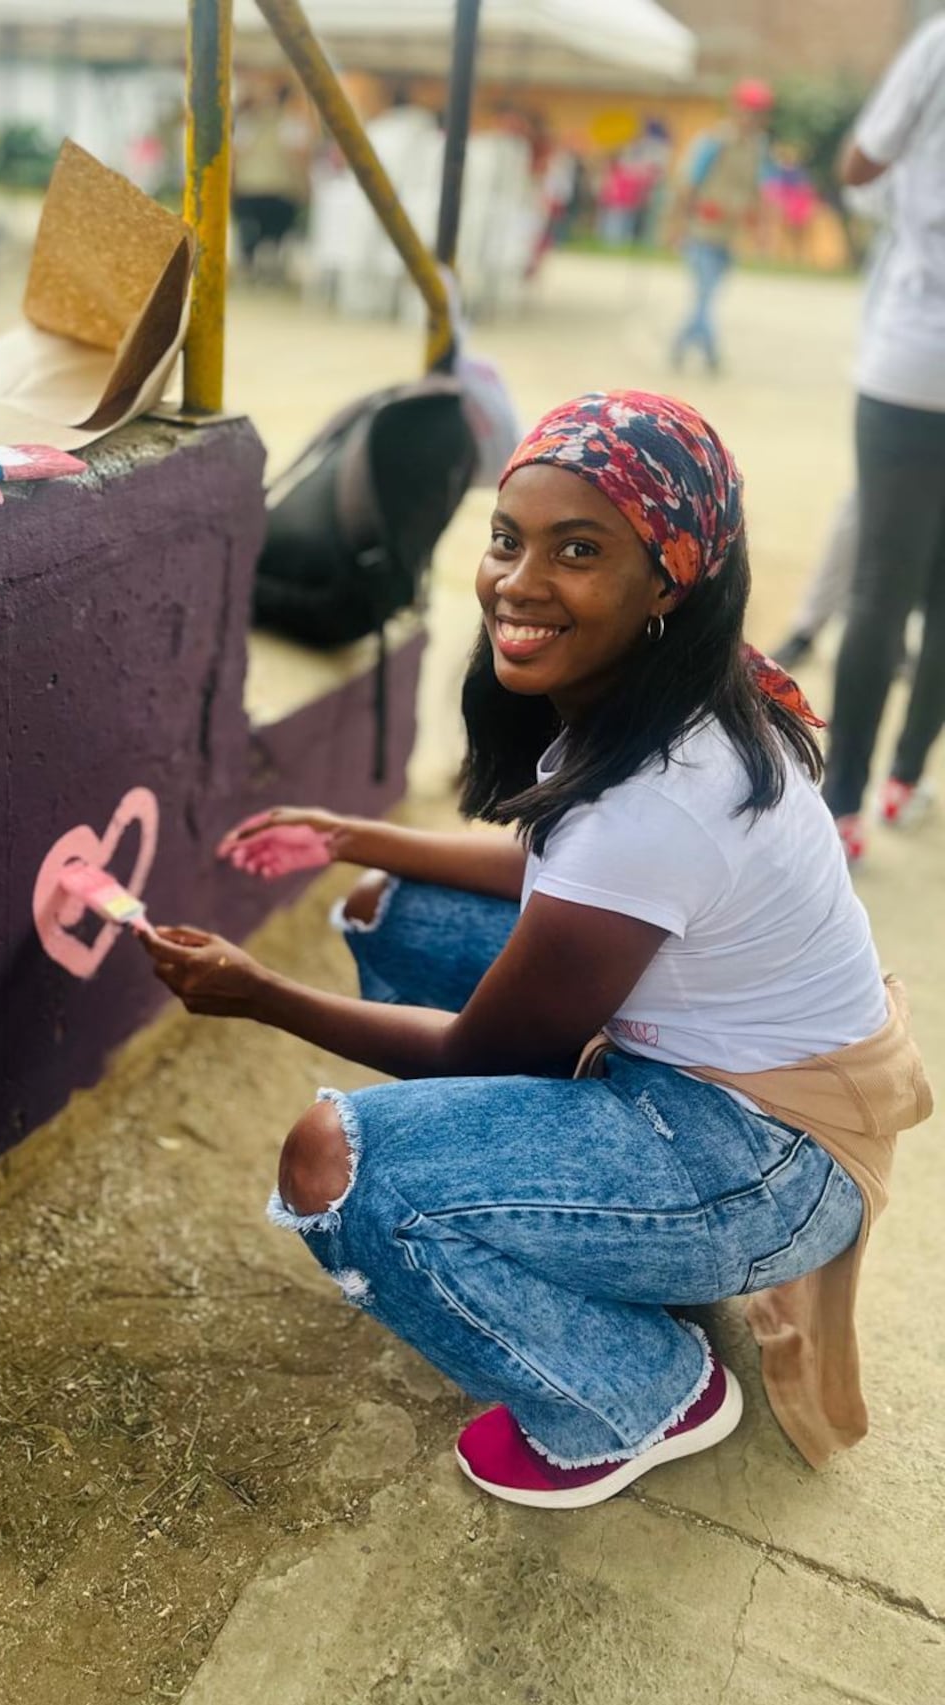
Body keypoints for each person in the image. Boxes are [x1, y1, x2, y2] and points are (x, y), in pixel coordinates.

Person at [141, 392, 930, 1509]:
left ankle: (636, 1392)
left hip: (765, 1160)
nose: (518, 581)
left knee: (336, 1163)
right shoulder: (668, 696)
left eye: (577, 551)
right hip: (717, 1089)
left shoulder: (664, 795)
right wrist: (347, 835)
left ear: (667, 576)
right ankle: (572, 1238)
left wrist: (257, 991)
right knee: (391, 908)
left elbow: (475, 1048)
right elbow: (571, 885)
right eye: (507, 539)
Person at [822, 15, 945, 862]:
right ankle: (906, 779)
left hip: (912, 357)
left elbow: (859, 163)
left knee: (880, 589)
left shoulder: (940, 42)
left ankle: (842, 806)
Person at [669, 79, 772, 373]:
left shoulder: (758, 147)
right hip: (702, 230)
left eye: (758, 112)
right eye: (748, 110)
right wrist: (677, 224)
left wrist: (761, 230)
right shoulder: (714, 140)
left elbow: (758, 191)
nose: (752, 118)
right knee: (704, 294)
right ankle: (711, 353)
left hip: (729, 234)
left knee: (708, 296)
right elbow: (688, 183)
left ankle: (680, 344)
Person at [231, 86, 310, 277]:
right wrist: (304, 185)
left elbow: (236, 155)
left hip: (251, 187)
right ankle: (269, 268)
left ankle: (250, 268)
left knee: (250, 232)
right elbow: (298, 157)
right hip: (279, 188)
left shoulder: (248, 122)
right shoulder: (290, 124)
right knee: (275, 234)